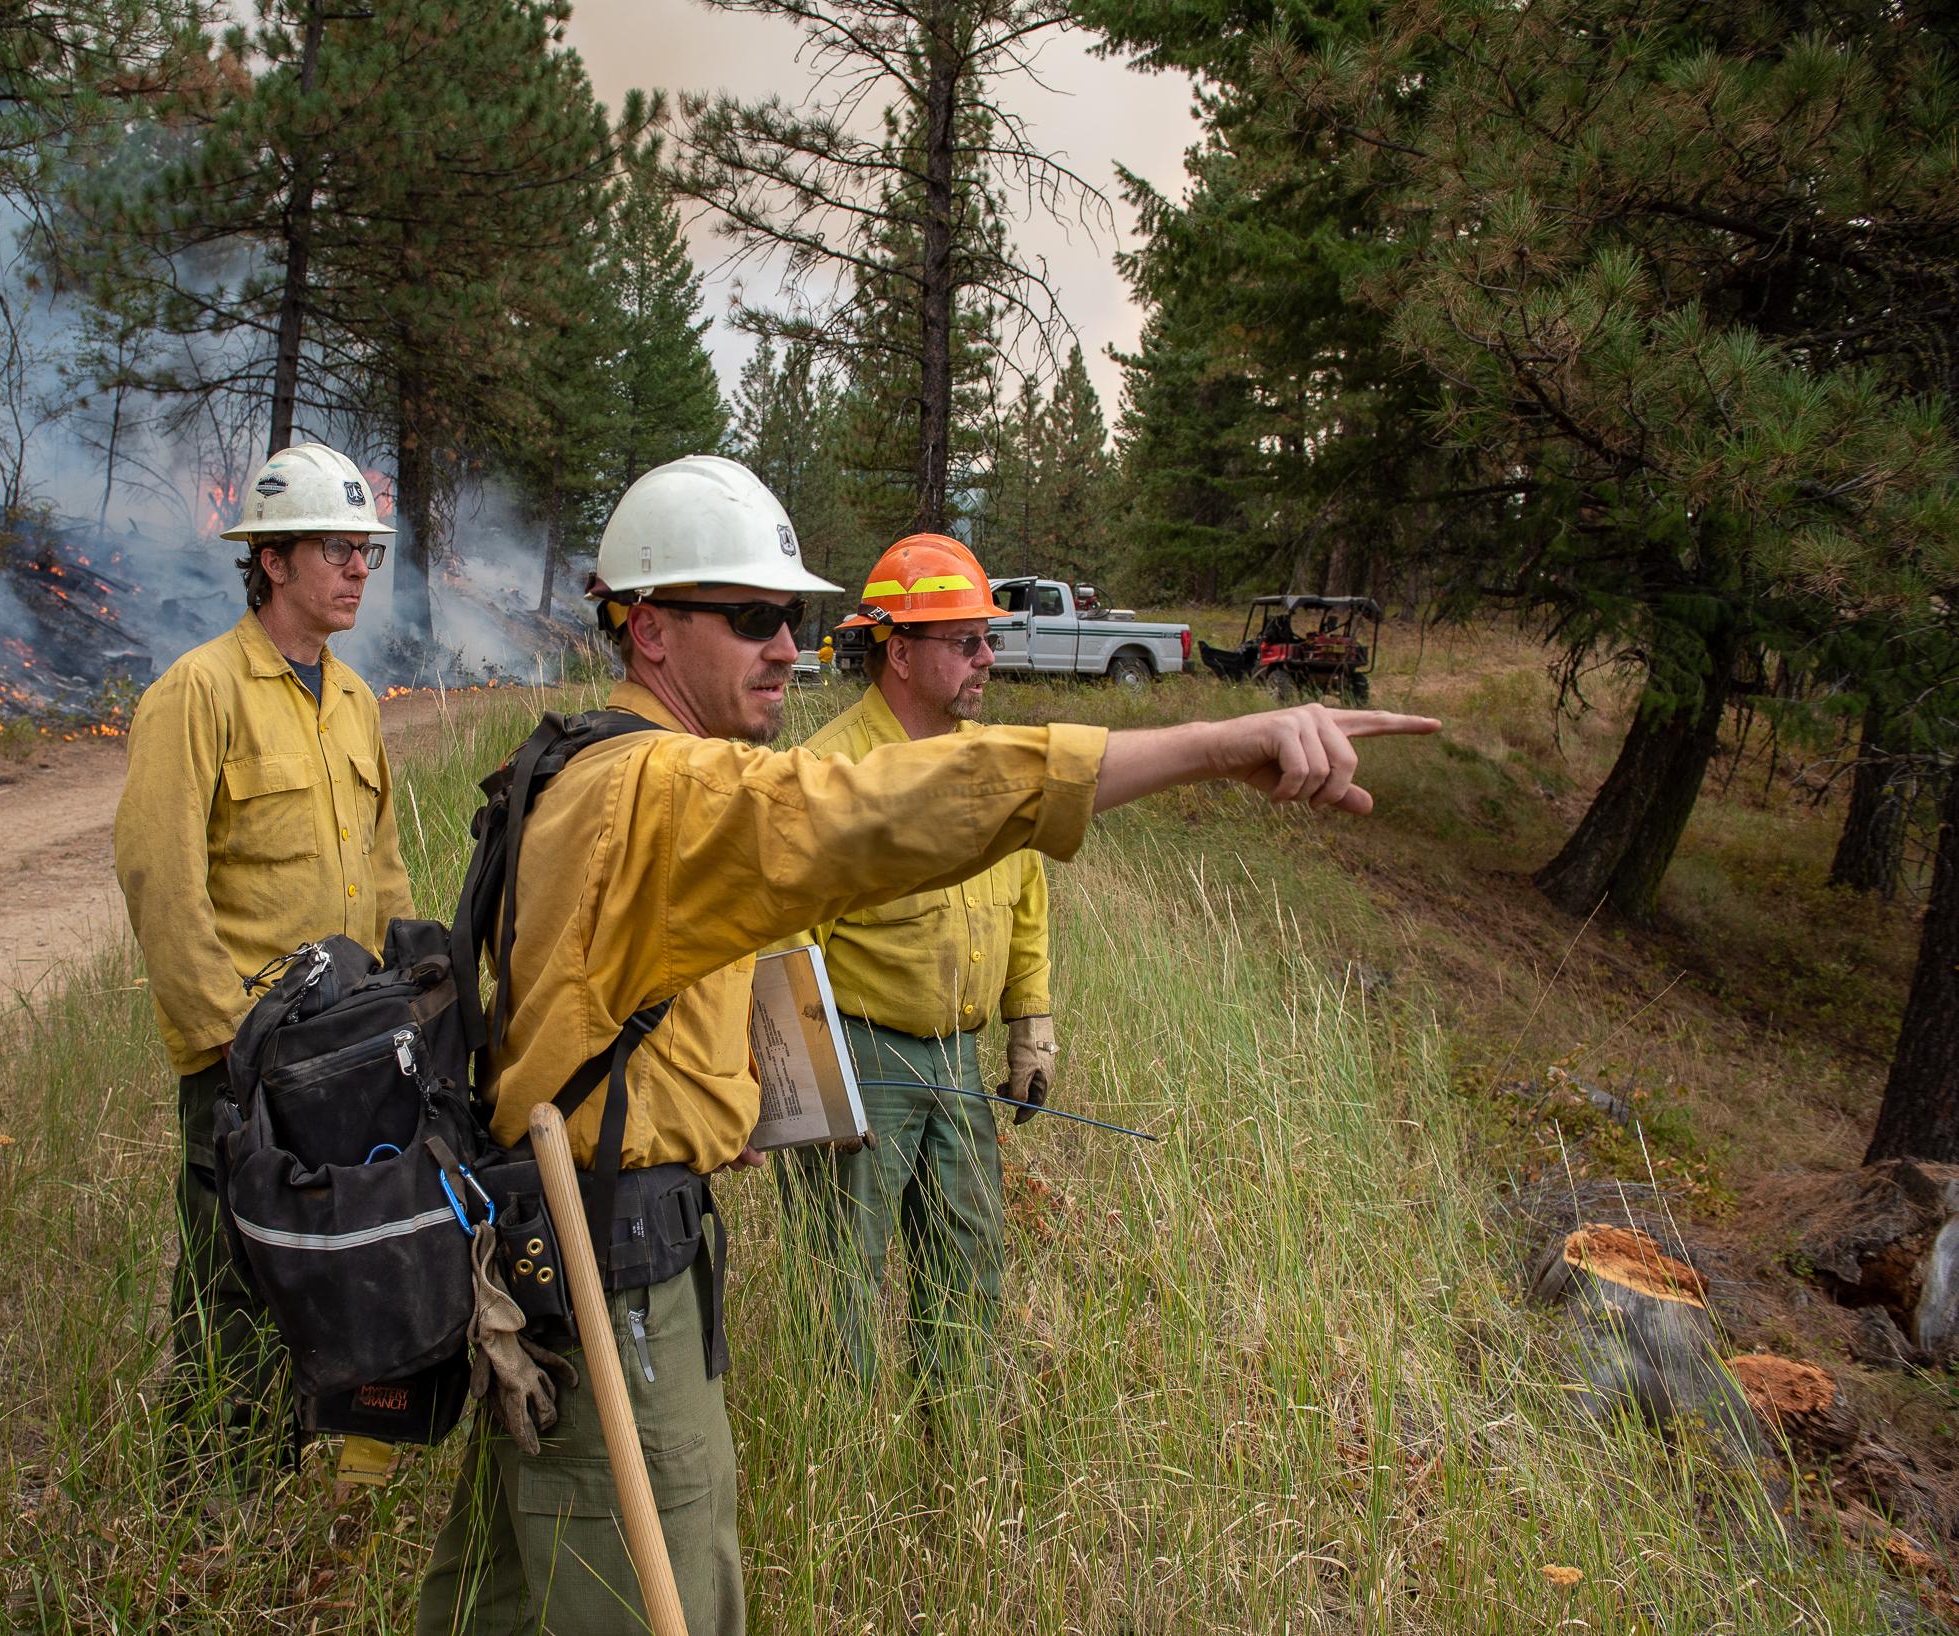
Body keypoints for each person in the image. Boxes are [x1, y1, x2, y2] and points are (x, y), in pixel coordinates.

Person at [414, 455, 1437, 1635]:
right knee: (654, 1599)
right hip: (612, 1287)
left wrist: (713, 1099)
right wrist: (1206, 745)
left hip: (559, 1244)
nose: (785, 648)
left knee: (500, 1595)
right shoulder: (663, 785)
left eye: (790, 619)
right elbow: (871, 813)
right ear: (648, 630)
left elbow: (613, 990)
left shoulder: (578, 758)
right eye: (751, 619)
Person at [113, 441, 416, 1491]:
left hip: (346, 1061)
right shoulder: (197, 694)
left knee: (331, 1273)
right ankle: (206, 1515)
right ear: (272, 561)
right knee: (230, 1291)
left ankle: (308, 1479)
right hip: (246, 1068)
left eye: (366, 550)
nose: (357, 569)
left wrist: (404, 1005)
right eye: (337, 548)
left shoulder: (355, 703)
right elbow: (160, 874)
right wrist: (223, 1048)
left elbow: (379, 870)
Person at [784, 534, 1041, 1393]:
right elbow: (788, 941)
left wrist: (1029, 1023)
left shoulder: (990, 759)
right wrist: (814, 1088)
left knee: (968, 1265)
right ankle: (843, 1469)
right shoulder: (830, 770)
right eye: (966, 643)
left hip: (961, 1059)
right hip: (863, 1057)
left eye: (988, 641)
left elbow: (1027, 893)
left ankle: (956, 1455)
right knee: (842, 1279)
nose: (986, 660)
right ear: (901, 653)